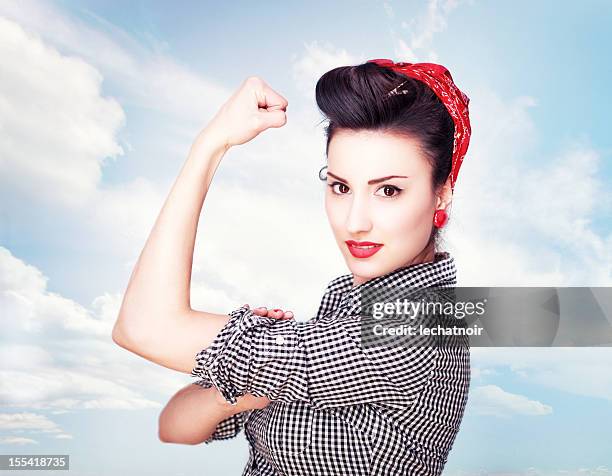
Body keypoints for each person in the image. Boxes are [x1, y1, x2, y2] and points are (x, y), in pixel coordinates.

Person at [112, 58, 472, 475]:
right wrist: (251, 383)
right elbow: (175, 425)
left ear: (441, 193)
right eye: (340, 187)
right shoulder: (344, 304)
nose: (354, 221)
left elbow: (140, 328)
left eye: (388, 190)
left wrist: (210, 145)